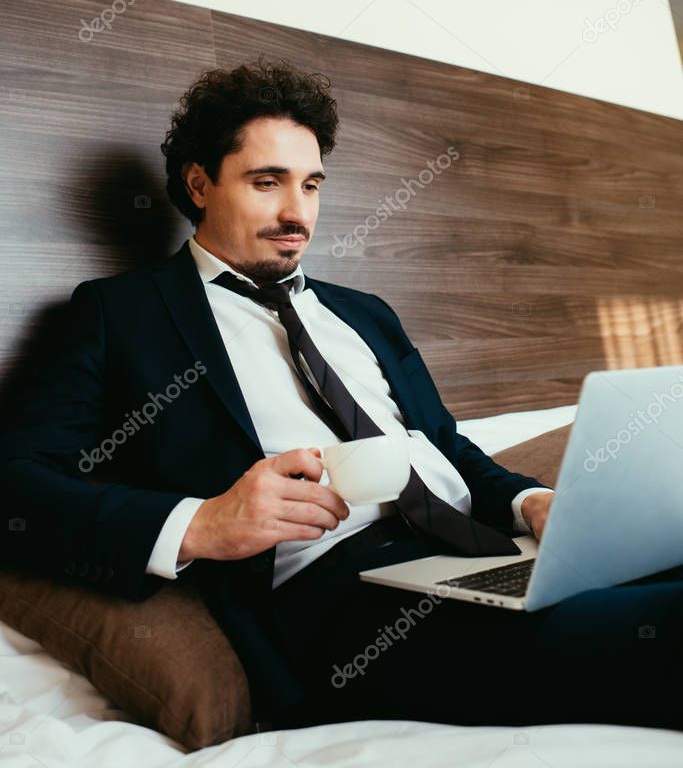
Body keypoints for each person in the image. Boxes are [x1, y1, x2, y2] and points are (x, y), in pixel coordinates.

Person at [2, 57, 681, 733]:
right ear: (199, 183)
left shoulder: (365, 313)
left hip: (488, 548)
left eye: (312, 184)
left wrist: (528, 500)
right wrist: (203, 521)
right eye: (266, 182)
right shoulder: (118, 314)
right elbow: (18, 486)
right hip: (350, 607)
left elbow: (443, 445)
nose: (297, 212)